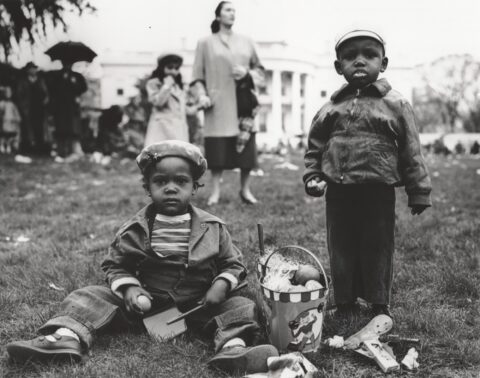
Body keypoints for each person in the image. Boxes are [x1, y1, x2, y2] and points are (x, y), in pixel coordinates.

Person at [6, 140, 278, 375]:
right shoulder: (134, 229)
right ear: (147, 187)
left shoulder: (214, 228)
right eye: (161, 181)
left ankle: (233, 348)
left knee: (241, 304)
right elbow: (116, 265)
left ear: (195, 187)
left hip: (200, 305)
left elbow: (233, 263)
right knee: (89, 295)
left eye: (181, 182)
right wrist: (130, 289)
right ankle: (66, 337)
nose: (171, 188)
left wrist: (221, 285)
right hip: (145, 307)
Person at [303, 30, 432, 318]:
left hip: (378, 190)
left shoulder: (396, 104)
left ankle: (378, 304)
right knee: (341, 247)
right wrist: (313, 175)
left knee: (377, 246)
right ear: (339, 67)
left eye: (369, 55)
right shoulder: (331, 107)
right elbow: (315, 147)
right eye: (350, 57)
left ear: (383, 63)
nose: (359, 61)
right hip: (339, 190)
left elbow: (411, 150)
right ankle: (345, 302)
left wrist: (419, 190)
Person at [191, 1, 264, 205]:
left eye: (234, 10)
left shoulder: (247, 41)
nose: (232, 14)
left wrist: (247, 73)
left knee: (247, 148)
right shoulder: (205, 43)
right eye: (228, 10)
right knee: (217, 149)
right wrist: (202, 95)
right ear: (218, 16)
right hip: (218, 103)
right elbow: (197, 75)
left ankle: (245, 190)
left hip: (244, 103)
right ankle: (215, 192)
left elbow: (260, 71)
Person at [144, 53, 197, 146]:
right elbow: (158, 102)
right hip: (161, 132)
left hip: (179, 132)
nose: (173, 71)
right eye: (170, 67)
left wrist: (199, 106)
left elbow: (185, 110)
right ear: (162, 67)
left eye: (176, 68)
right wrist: (166, 86)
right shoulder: (154, 83)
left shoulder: (179, 87)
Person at [47, 59, 87, 162]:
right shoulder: (56, 76)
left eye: (69, 64)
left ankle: (72, 152)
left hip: (72, 108)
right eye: (65, 64)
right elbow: (52, 89)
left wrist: (74, 83)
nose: (67, 65)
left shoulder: (77, 76)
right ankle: (61, 152)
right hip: (60, 108)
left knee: (72, 130)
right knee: (61, 130)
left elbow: (83, 88)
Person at [15, 62, 50, 156]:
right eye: (31, 68)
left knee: (39, 128)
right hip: (28, 108)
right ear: (27, 70)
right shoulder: (23, 81)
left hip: (39, 108)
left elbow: (46, 93)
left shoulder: (40, 81)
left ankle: (40, 148)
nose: (33, 70)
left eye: (34, 68)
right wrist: (22, 106)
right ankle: (27, 148)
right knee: (26, 128)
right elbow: (19, 94)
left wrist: (45, 100)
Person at [0, 86, 21, 155]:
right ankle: (2, 146)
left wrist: (17, 117)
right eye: (6, 93)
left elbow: (15, 111)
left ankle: (9, 146)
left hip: (11, 121)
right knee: (3, 134)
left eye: (9, 93)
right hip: (4, 121)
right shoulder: (2, 103)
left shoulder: (12, 104)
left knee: (10, 134)